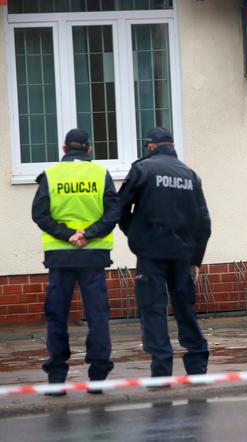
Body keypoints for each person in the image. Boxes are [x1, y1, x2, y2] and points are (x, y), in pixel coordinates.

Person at [118, 127, 211, 379]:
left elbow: (120, 208)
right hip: (182, 255)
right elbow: (203, 222)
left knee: (153, 309)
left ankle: (161, 370)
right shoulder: (190, 175)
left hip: (151, 254)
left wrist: (135, 235)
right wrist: (196, 260)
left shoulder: (142, 169)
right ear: (172, 145)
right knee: (185, 308)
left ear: (150, 147)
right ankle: (197, 365)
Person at [32, 128, 119, 396]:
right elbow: (114, 211)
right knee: (97, 316)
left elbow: (40, 214)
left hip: (61, 255)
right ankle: (98, 378)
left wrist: (67, 235)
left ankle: (57, 379)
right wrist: (88, 234)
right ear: (89, 149)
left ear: (64, 148)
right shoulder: (100, 174)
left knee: (57, 316)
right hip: (93, 255)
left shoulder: (51, 175)